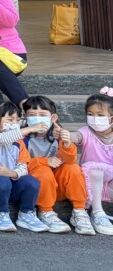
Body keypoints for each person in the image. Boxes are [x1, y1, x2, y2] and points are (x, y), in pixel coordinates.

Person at [22, 95, 88, 233]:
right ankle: (45, 212)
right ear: (26, 117)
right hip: (38, 188)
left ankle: (79, 211)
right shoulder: (22, 138)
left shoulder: (58, 136)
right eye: (32, 115)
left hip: (58, 187)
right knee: (43, 170)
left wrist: (67, 143)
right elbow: (20, 164)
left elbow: (70, 160)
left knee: (72, 168)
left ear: (53, 118)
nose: (37, 118)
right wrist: (44, 161)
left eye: (42, 114)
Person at [0, 101, 48, 232]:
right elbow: (2, 139)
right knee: (2, 180)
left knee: (31, 181)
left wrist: (11, 173)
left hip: (12, 187)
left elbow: (23, 167)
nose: (15, 123)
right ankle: (2, 214)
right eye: (10, 120)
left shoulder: (19, 143)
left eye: (17, 120)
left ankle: (26, 214)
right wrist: (29, 129)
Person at [73, 91, 113, 235]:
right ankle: (97, 213)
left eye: (100, 115)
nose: (95, 118)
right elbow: (76, 136)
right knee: (95, 169)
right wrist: (66, 135)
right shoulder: (86, 132)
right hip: (89, 184)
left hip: (109, 185)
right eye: (90, 114)